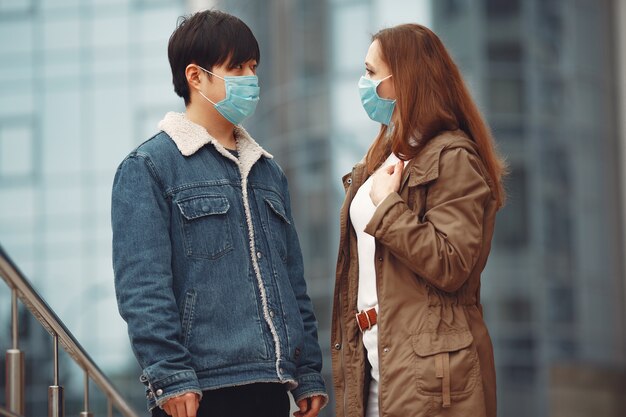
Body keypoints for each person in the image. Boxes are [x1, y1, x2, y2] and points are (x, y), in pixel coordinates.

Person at [111, 10, 327, 417]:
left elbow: (293, 281)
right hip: (198, 391)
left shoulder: (268, 172)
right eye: (236, 67)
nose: (251, 78)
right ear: (196, 76)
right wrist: (169, 375)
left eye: (253, 67)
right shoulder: (149, 167)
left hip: (272, 385)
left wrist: (309, 371)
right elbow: (143, 286)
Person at [331, 24, 506, 417]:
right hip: (376, 369)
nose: (365, 84)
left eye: (373, 73)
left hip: (430, 379)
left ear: (404, 80)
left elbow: (452, 264)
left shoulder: (454, 157)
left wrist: (387, 210)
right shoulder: (383, 158)